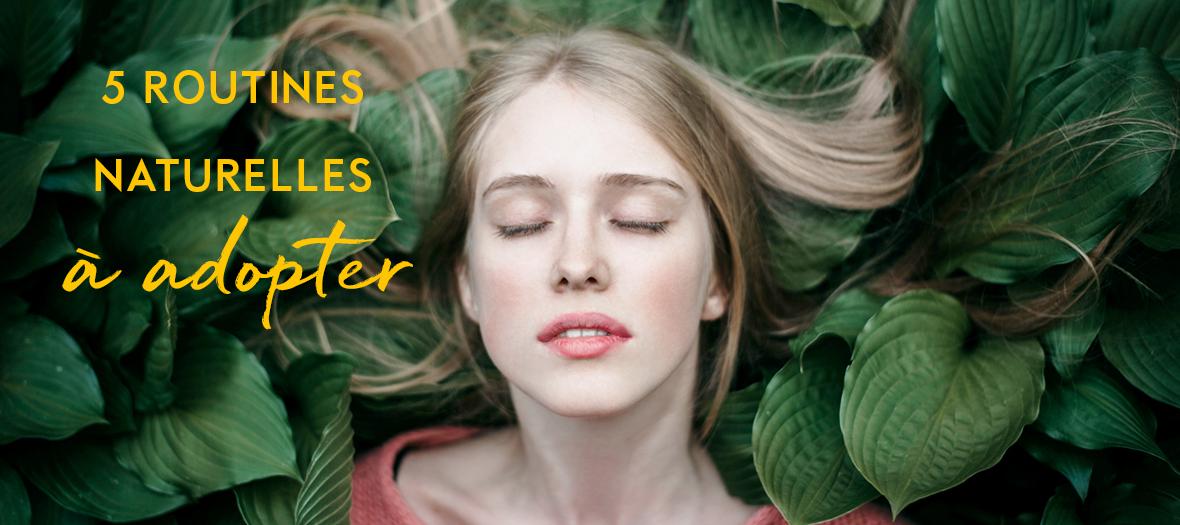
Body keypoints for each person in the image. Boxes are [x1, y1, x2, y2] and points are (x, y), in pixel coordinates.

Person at [270, 1, 922, 523]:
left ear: (718, 278)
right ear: (467, 282)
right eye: (522, 222)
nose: (577, 263)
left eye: (639, 217)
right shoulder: (338, 512)